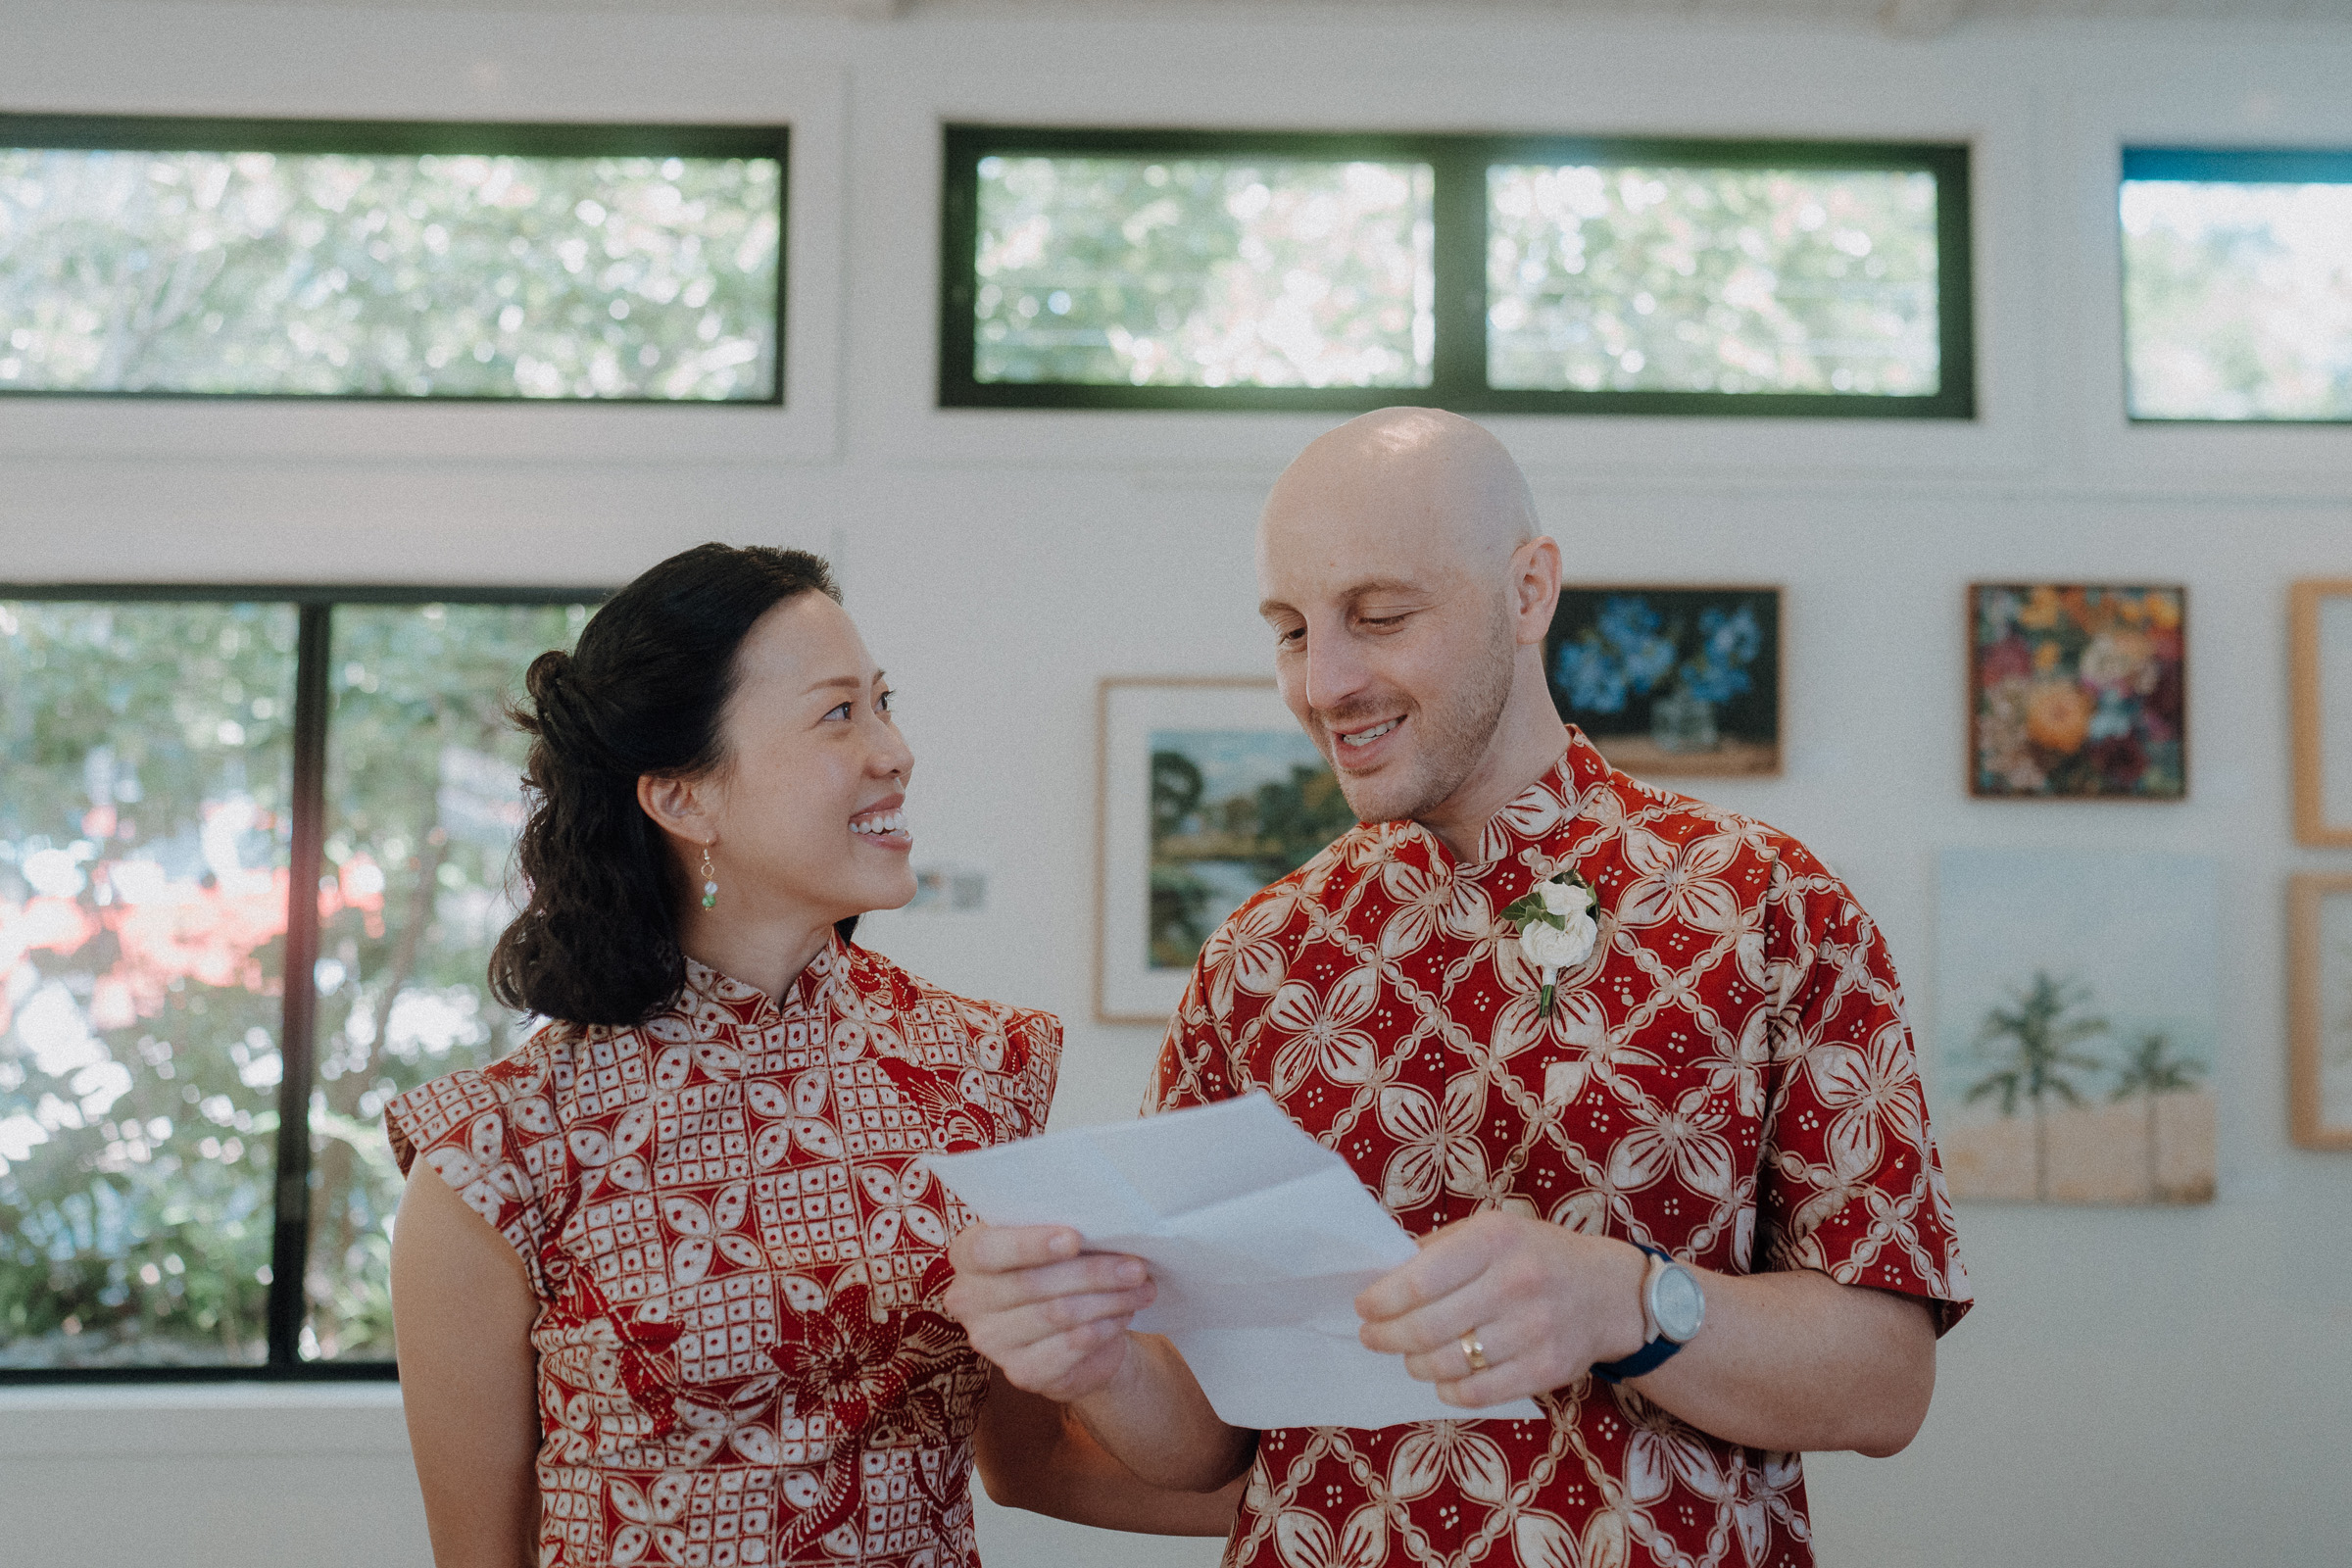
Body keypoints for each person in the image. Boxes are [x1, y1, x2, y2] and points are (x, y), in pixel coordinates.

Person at [946, 409, 1973, 1567]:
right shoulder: (1256, 956)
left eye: (1379, 617)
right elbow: (1205, 1446)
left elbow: (1888, 1385)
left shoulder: (1770, 907)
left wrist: (1630, 1303)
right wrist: (1103, 1360)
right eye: (1290, 630)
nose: (1323, 682)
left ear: (1528, 591)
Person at [385, 543, 1065, 1568]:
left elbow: (1034, 1459)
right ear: (685, 798)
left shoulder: (983, 1070)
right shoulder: (500, 1153)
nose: (895, 750)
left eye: (884, 702)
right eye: (840, 713)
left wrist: (1362, 1477)